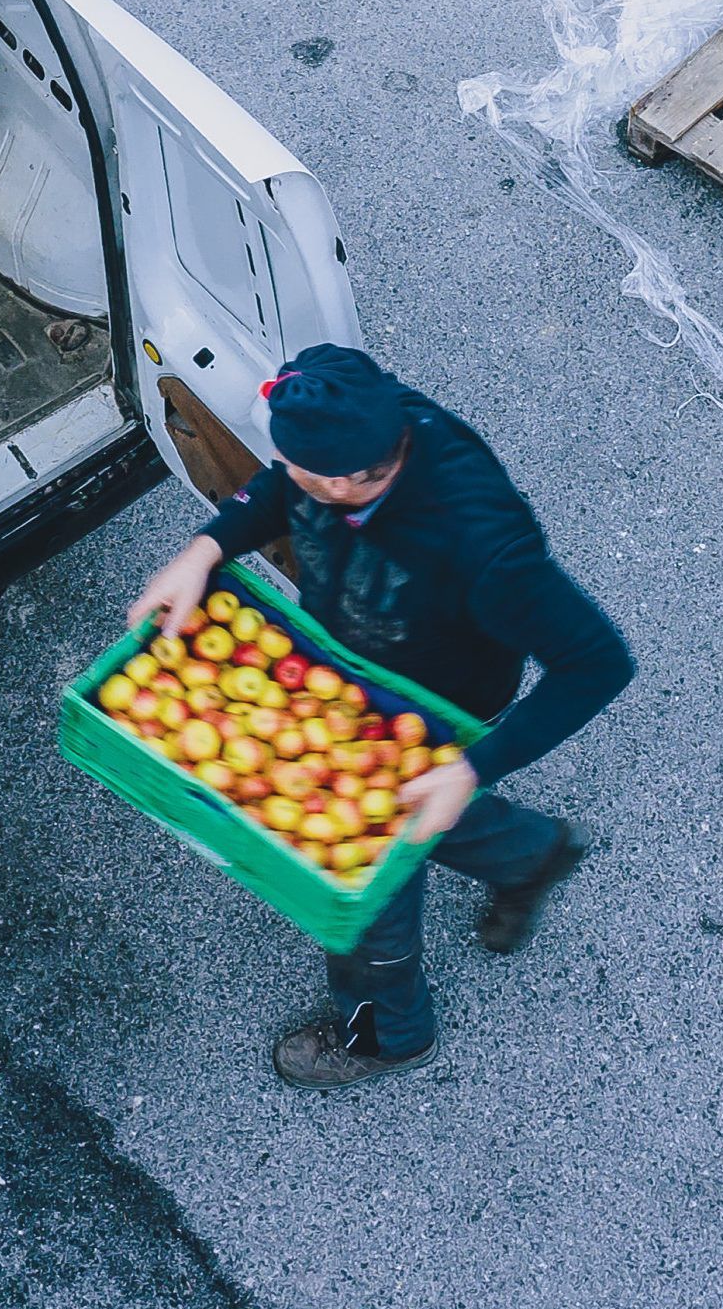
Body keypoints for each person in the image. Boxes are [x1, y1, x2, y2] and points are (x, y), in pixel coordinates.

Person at [131, 343, 634, 1088]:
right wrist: (204, 550)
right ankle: (529, 853)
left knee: (364, 896)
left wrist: (470, 766)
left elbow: (599, 662)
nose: (291, 478)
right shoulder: (346, 416)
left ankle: (385, 1034)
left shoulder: (483, 543)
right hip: (349, 682)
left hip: (428, 716)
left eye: (308, 476)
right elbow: (277, 491)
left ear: (348, 477)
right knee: (421, 815)